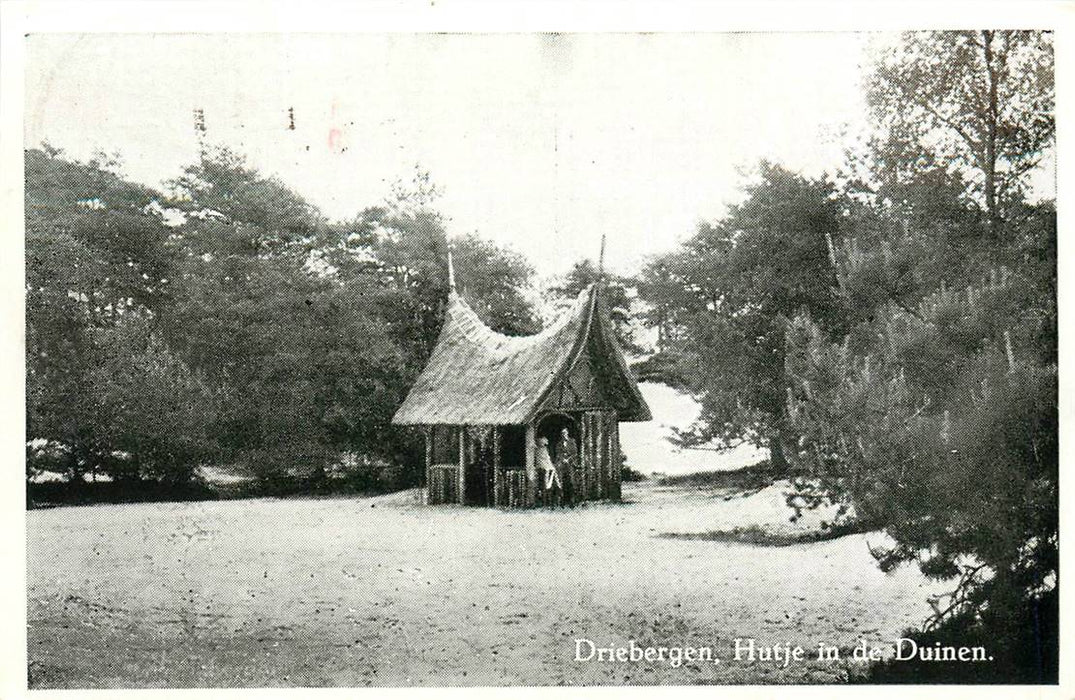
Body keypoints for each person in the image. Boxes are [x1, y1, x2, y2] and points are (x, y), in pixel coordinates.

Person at [536, 436, 562, 507]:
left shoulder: (543, 449)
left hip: (546, 469)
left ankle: (556, 492)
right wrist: (552, 468)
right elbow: (546, 461)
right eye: (545, 440)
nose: (547, 441)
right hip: (545, 470)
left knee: (550, 484)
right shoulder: (540, 450)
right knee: (547, 486)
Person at [556, 427, 579, 506]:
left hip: (571, 464)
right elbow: (558, 453)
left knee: (571, 482)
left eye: (565, 433)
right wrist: (562, 459)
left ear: (567, 433)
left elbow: (575, 453)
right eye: (562, 433)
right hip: (562, 465)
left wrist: (568, 460)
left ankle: (572, 501)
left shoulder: (572, 442)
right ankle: (562, 501)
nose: (564, 435)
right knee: (562, 481)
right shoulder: (559, 444)